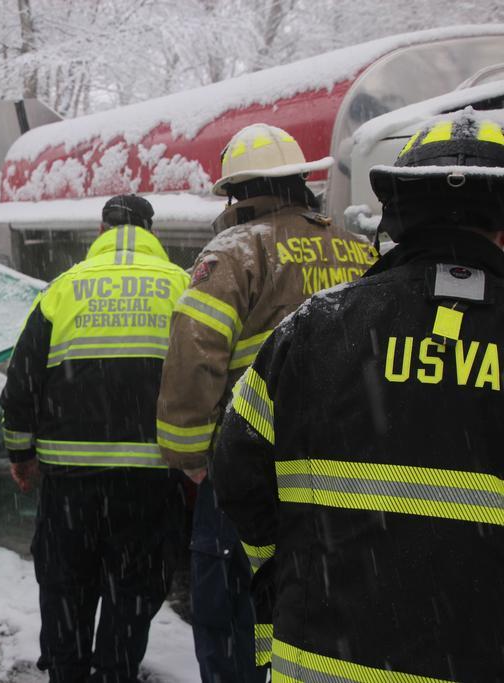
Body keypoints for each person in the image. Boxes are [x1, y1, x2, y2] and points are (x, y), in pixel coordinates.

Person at [212, 111, 504, 681]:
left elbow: (236, 468)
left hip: (319, 661)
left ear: (397, 216)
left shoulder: (313, 326)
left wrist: (293, 567)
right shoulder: (325, 270)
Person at [155, 124, 377, 681]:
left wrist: (193, 462)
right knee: (317, 617)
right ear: (301, 182)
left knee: (229, 616)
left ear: (236, 195)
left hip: (248, 469)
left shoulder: (233, 251)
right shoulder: (358, 250)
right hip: (344, 472)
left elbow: (193, 359)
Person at [0, 194, 190, 683]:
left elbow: (21, 384)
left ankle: (67, 672)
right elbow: (204, 378)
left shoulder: (63, 289)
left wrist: (21, 455)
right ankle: (115, 671)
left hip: (70, 486)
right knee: (132, 589)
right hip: (150, 482)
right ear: (151, 231)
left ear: (101, 230)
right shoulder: (182, 287)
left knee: (66, 588)